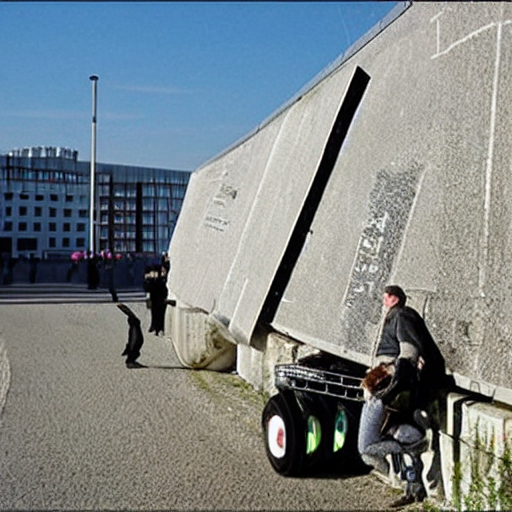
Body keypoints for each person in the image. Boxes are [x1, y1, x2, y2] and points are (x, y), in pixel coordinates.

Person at [358, 363, 428, 506]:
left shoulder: (377, 402)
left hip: (403, 433)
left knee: (404, 453)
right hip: (389, 436)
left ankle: (413, 490)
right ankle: (411, 490)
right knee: (401, 455)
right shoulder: (376, 403)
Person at [375, 285, 447, 410]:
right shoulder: (394, 315)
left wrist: (392, 389)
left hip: (413, 380)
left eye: (389, 296)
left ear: (397, 299)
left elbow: (409, 353)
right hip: (396, 377)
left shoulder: (402, 315)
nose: (384, 300)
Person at [143, 265, 168, 336]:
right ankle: (155, 327)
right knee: (154, 310)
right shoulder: (150, 272)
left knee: (159, 310)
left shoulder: (162, 271)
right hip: (154, 293)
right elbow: (146, 286)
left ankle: (158, 327)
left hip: (160, 293)